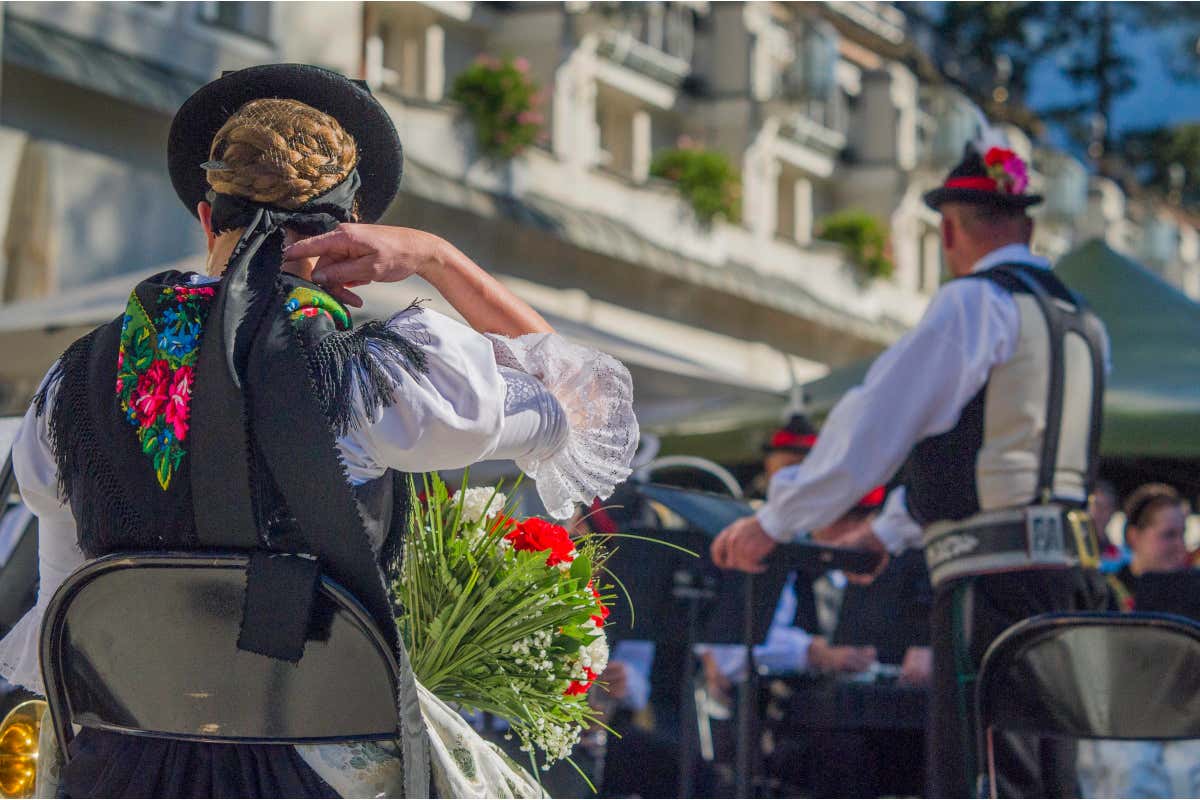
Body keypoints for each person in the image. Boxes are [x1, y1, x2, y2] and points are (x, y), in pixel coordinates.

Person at [0, 64, 637, 798]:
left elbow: (65, 613)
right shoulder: (381, 385)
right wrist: (438, 259)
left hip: (125, 773)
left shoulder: (71, 385)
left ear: (207, 221)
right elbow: (588, 406)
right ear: (353, 232)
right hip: (309, 775)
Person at [711, 140, 1110, 797]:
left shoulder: (974, 303)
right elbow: (982, 450)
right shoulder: (1087, 329)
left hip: (991, 584)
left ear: (948, 230)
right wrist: (887, 532)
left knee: (984, 772)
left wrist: (776, 520)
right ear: (1029, 227)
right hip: (1065, 581)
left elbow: (878, 422)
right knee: (1045, 771)